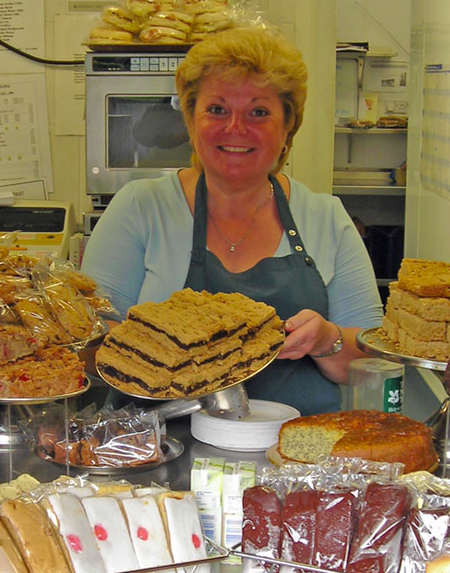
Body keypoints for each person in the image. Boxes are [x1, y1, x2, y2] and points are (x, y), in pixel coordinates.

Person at [80, 26, 383, 414]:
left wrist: (329, 339)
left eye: (259, 112)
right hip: (163, 450)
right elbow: (91, 346)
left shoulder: (325, 217)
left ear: (288, 125)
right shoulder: (140, 208)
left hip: (299, 456)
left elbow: (374, 360)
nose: (236, 128)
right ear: (191, 120)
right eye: (217, 109)